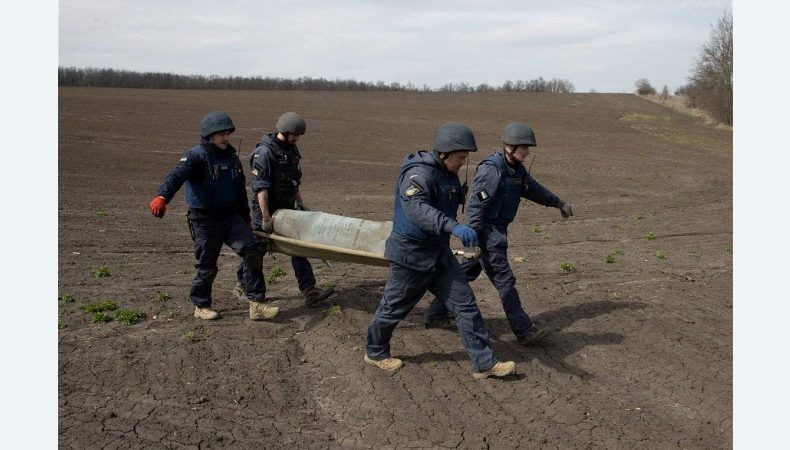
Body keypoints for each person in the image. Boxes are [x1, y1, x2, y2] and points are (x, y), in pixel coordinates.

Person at [364, 122, 516, 379]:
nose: (463, 162)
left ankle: (484, 364)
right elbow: (417, 209)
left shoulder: (448, 173)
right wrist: (453, 227)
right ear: (444, 153)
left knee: (465, 304)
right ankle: (375, 351)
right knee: (393, 308)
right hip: (410, 255)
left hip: (439, 254)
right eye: (461, 157)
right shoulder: (418, 175)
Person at [424, 121, 573, 345]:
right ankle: (524, 331)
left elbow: (534, 190)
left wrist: (558, 203)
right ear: (511, 146)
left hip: (496, 232)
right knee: (505, 282)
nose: (528, 151)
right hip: (487, 234)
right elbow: (476, 207)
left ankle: (436, 315)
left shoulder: (516, 170)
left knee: (464, 274)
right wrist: (473, 242)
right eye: (525, 147)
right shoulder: (492, 170)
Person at [149, 111, 279, 321]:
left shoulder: (232, 158)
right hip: (205, 220)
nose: (226, 138)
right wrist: (162, 197)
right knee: (207, 264)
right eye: (221, 134)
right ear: (209, 135)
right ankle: (201, 306)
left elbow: (239, 192)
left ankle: (256, 303)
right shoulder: (195, 156)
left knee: (252, 251)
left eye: (227, 134)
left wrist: (245, 217)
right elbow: (175, 177)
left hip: (230, 217)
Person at [235, 112, 335, 307]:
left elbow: (294, 181)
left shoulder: (291, 150)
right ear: (285, 131)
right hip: (264, 208)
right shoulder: (265, 153)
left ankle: (309, 291)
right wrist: (265, 218)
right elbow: (261, 189)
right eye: (295, 135)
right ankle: (243, 285)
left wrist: (300, 203)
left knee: (298, 247)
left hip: (287, 207)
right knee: (256, 250)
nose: (297, 138)